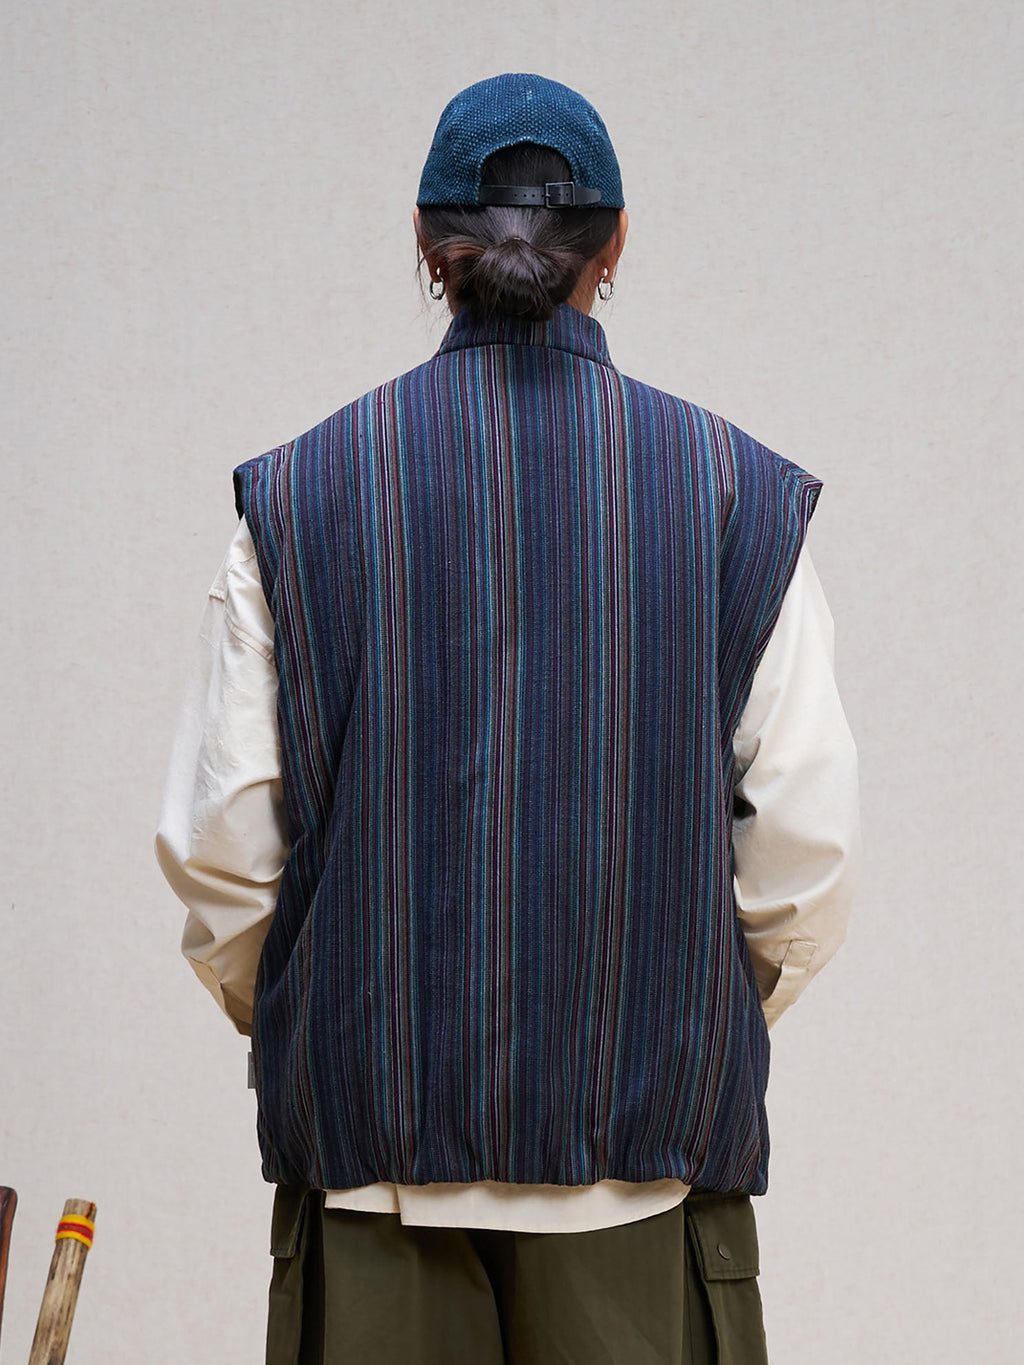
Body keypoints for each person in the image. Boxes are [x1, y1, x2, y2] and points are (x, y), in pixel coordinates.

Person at [154, 71, 860, 1365]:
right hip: (640, 1191)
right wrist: (676, 1020)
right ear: (616, 241)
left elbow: (224, 853)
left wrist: (340, 1020)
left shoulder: (304, 496)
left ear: (430, 246)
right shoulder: (733, 500)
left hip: (374, 1185)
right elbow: (803, 855)